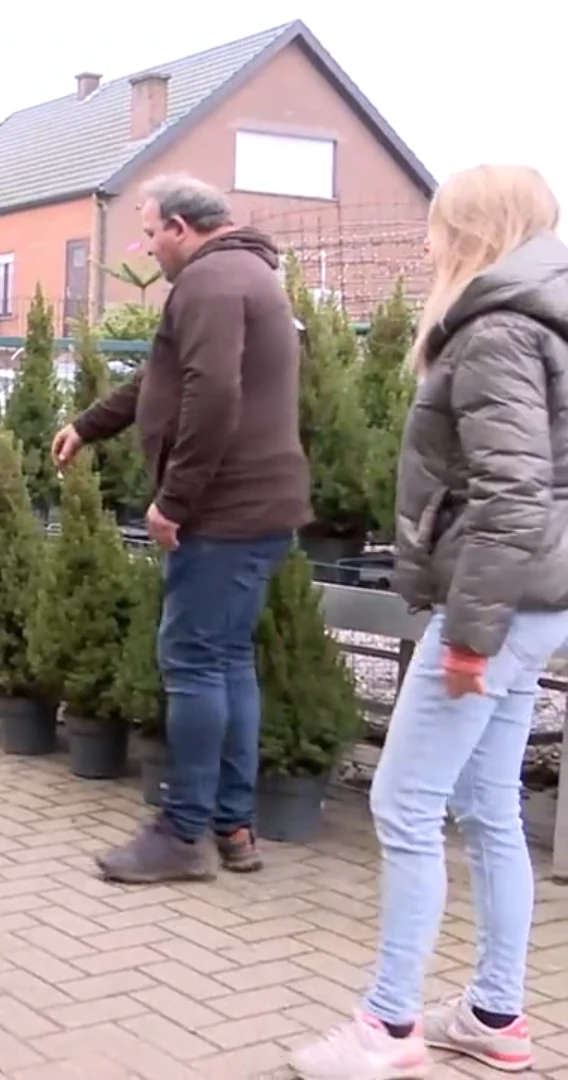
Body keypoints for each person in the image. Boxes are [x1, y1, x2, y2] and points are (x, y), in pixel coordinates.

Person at [288, 164, 568, 1080]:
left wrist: (471, 638)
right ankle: (493, 1015)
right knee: (488, 807)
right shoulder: (541, 322)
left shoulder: (494, 332)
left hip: (493, 607)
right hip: (531, 604)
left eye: (440, 227)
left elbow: (515, 496)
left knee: (401, 804)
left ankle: (389, 1027)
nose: (426, 243)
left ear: (479, 233)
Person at [51, 174, 310, 883]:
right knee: (226, 659)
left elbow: (214, 393)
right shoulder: (246, 276)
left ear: (180, 229)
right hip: (260, 506)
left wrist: (175, 500)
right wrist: (87, 424)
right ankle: (233, 824)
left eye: (149, 231)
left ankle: (181, 834)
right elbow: (162, 380)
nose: (147, 246)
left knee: (194, 661)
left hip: (223, 513)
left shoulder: (210, 282)